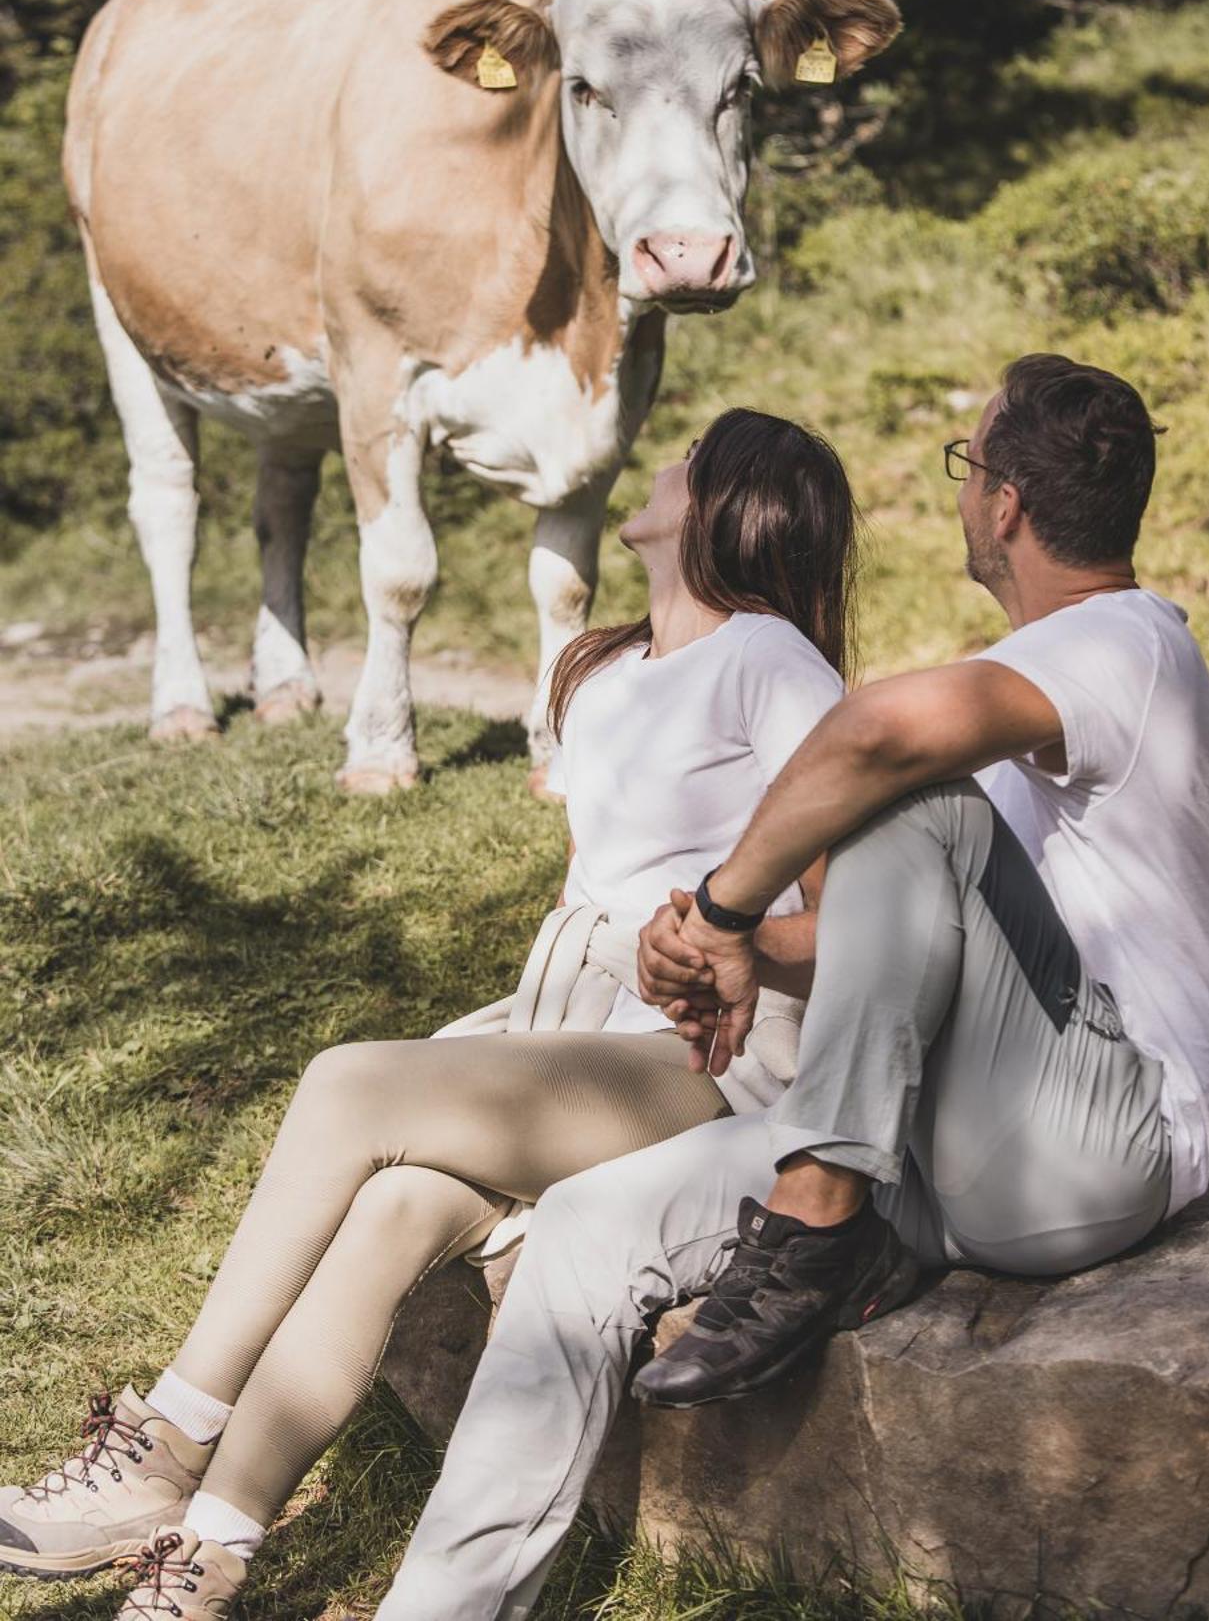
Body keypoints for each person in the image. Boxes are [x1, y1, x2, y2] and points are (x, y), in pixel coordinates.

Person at [375, 353, 1209, 1617]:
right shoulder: (1034, 689)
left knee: (902, 793)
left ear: (1001, 503)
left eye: (967, 466)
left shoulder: (1121, 641)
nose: (962, 496)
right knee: (585, 1230)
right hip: (943, 1143)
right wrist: (743, 952)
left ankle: (817, 1215)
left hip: (1101, 1140)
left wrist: (724, 899)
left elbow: (874, 740)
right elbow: (896, 930)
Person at [0, 407, 857, 1620]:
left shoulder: (773, 660)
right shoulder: (604, 667)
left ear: (728, 501)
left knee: (347, 1083)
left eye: (685, 456)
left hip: (698, 1059)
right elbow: (589, 880)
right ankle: (208, 1559)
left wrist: (727, 941)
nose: (657, 464)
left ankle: (167, 1434)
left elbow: (854, 921)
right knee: (395, 1202)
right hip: (566, 1033)